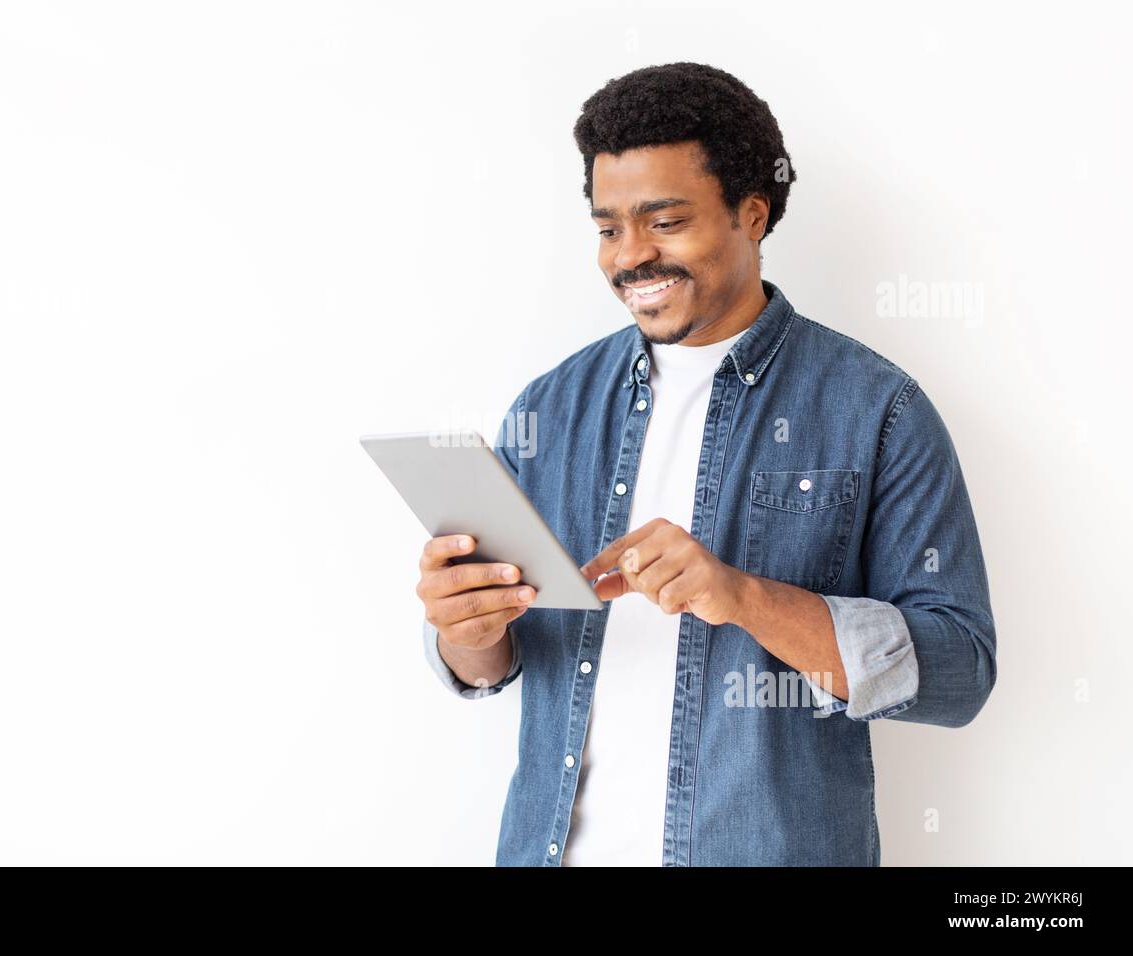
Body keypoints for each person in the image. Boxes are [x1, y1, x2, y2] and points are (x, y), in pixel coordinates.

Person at [415, 62, 996, 866]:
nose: (631, 257)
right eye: (608, 229)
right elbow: (497, 661)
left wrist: (742, 596)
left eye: (665, 221)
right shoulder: (550, 408)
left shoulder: (878, 410)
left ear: (752, 214)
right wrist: (464, 632)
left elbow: (960, 671)